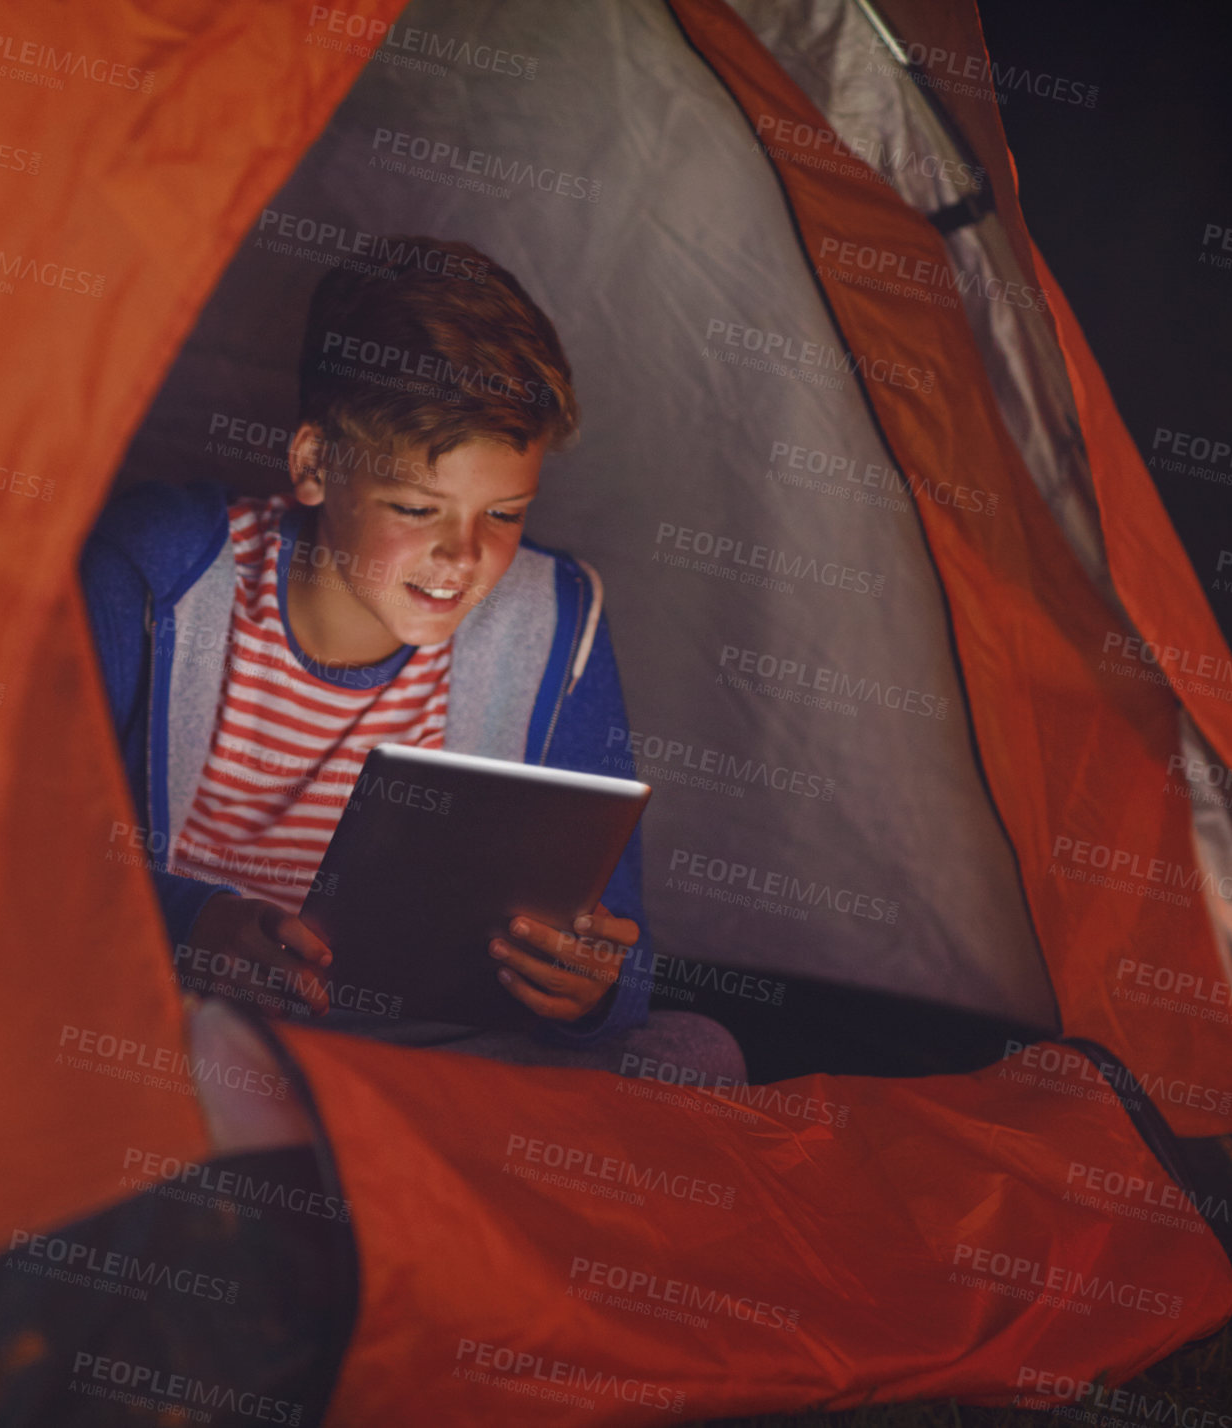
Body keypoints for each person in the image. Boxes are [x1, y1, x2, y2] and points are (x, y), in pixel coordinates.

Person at [81, 236, 744, 1078]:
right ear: (316, 465)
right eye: (414, 507)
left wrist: (592, 990)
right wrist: (195, 926)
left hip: (419, 1052)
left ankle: (356, 1148)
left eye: (502, 515)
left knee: (696, 1055)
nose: (462, 557)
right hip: (189, 1029)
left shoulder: (555, 617)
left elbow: (617, 938)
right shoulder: (159, 570)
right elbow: (33, 856)